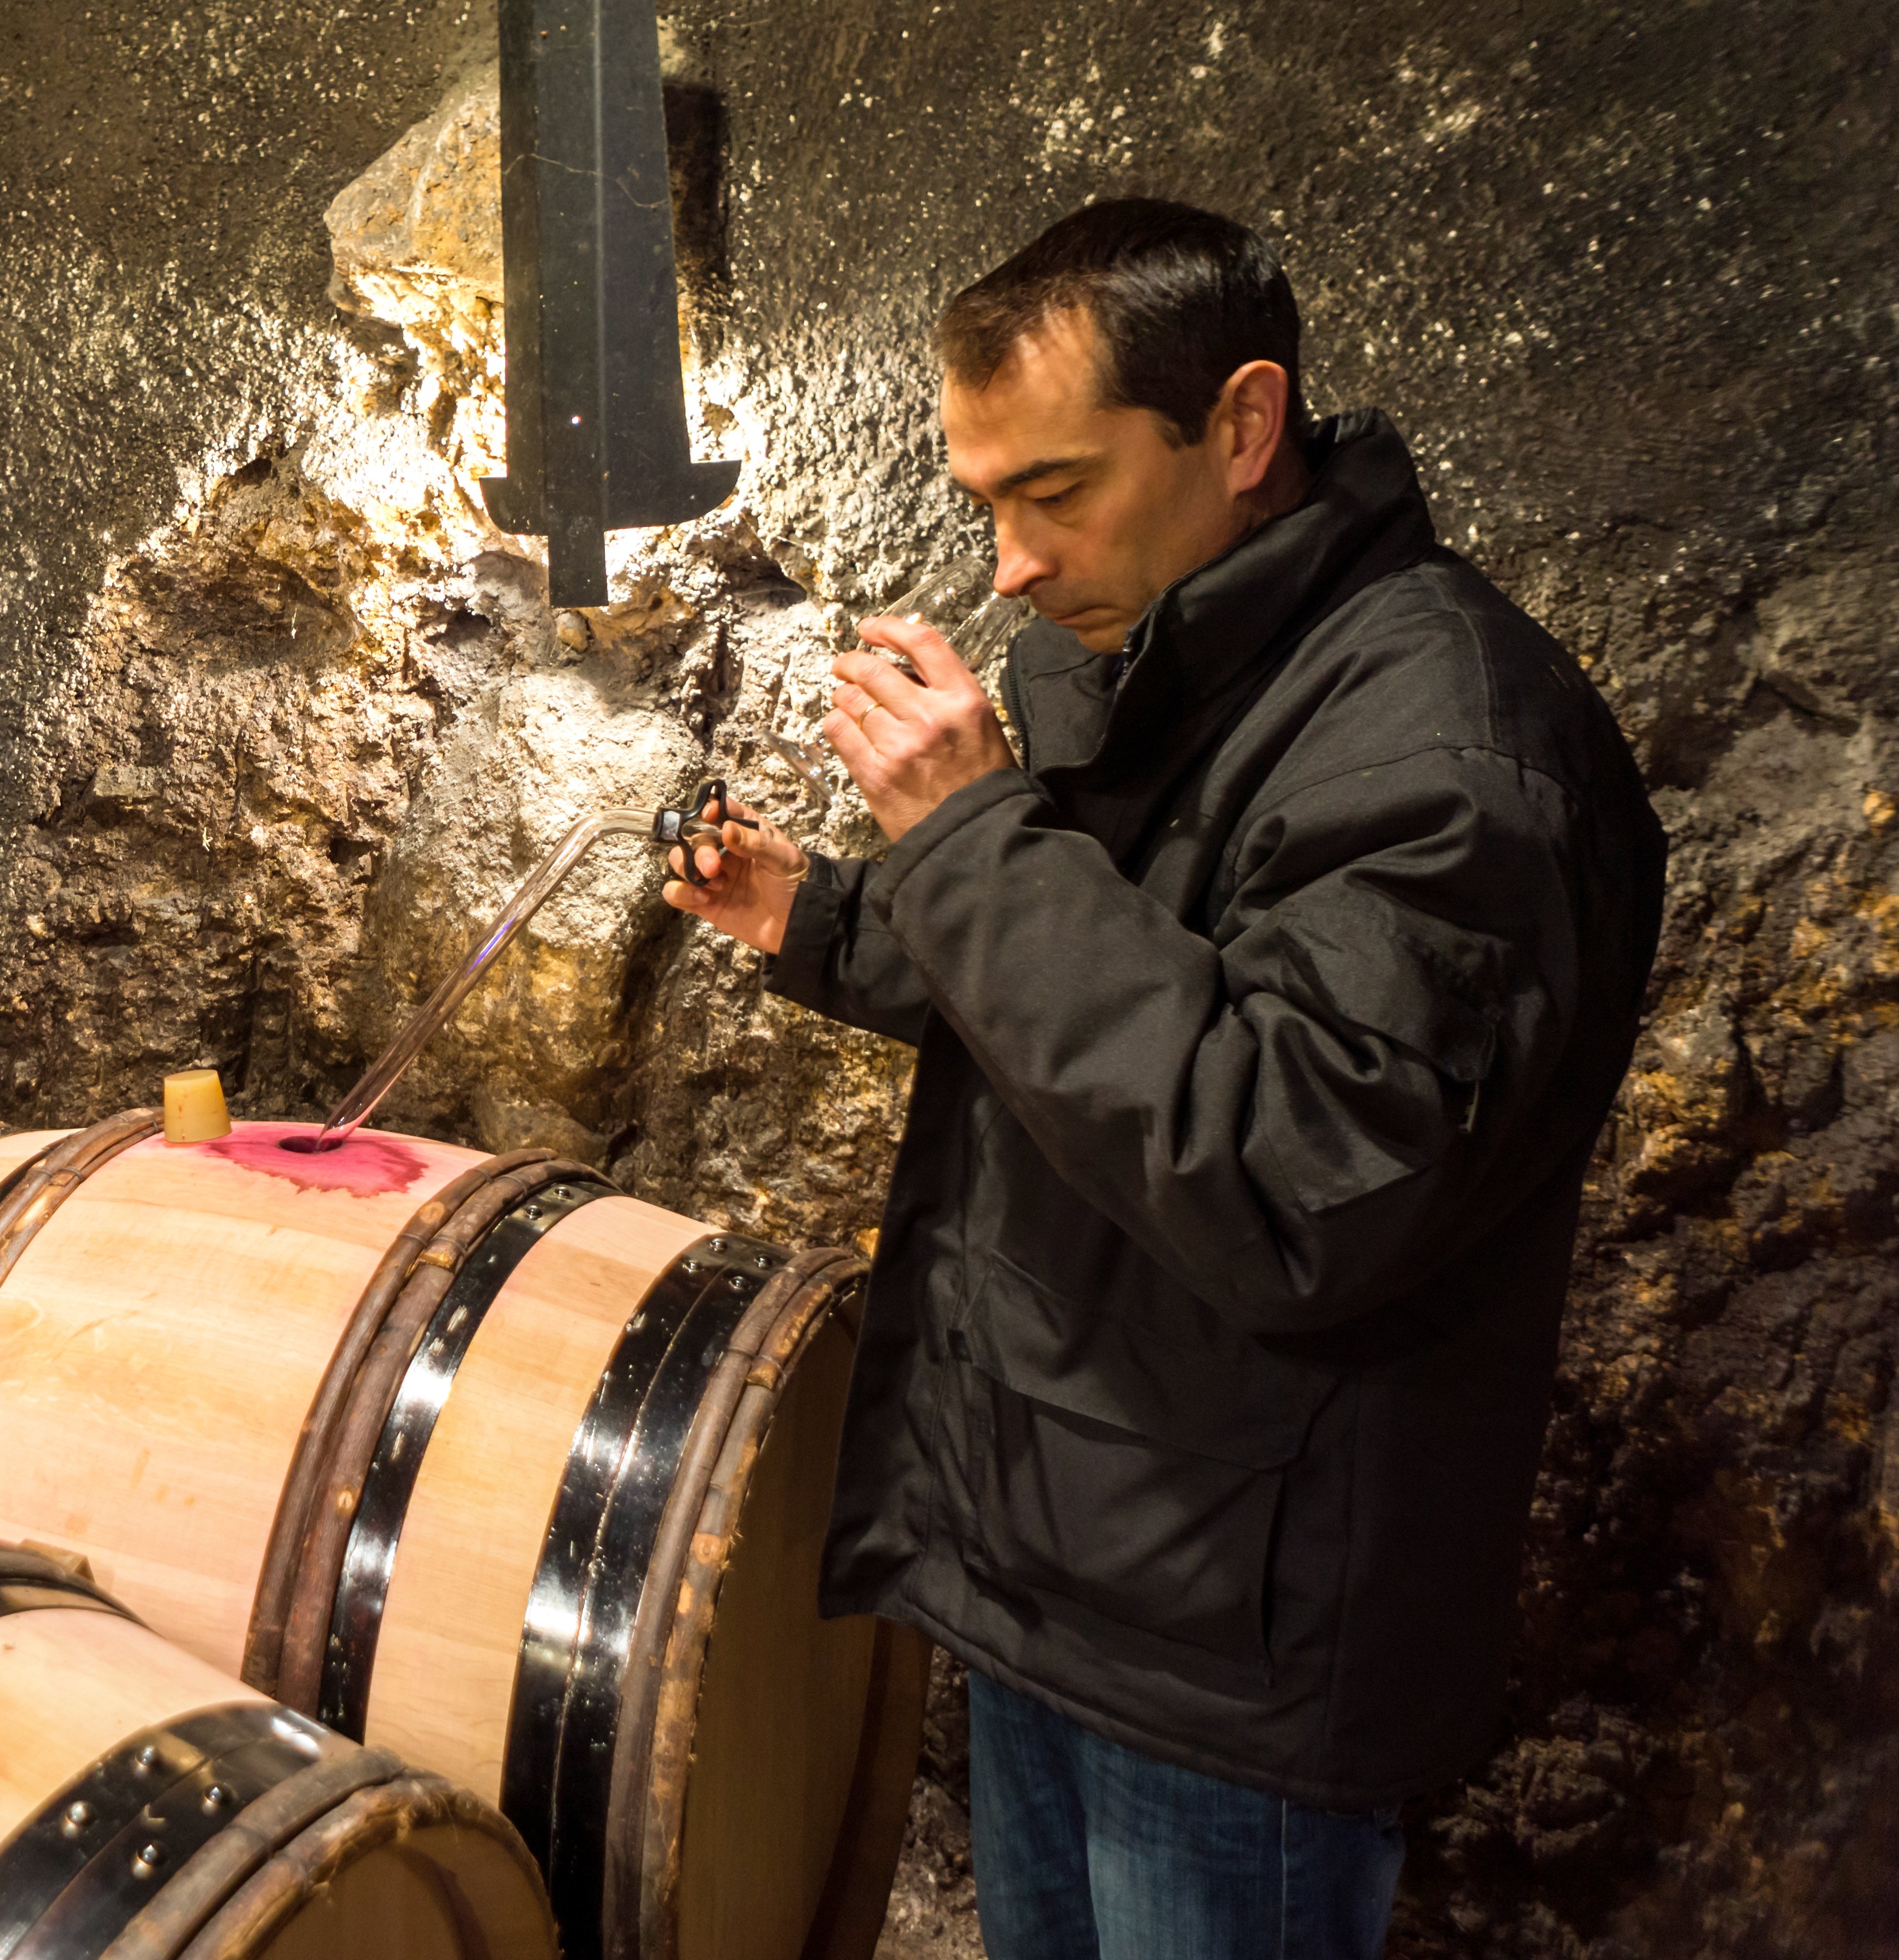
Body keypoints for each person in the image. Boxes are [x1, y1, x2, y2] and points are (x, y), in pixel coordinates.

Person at [661, 199, 1665, 1958]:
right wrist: (820, 917)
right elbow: (1101, 1002)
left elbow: (1288, 1176)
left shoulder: (1452, 753)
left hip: (1234, 1639)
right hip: (1059, 1537)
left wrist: (971, 838)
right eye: (987, 501)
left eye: (1056, 490)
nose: (1011, 565)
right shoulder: (1144, 648)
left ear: (1245, 427)